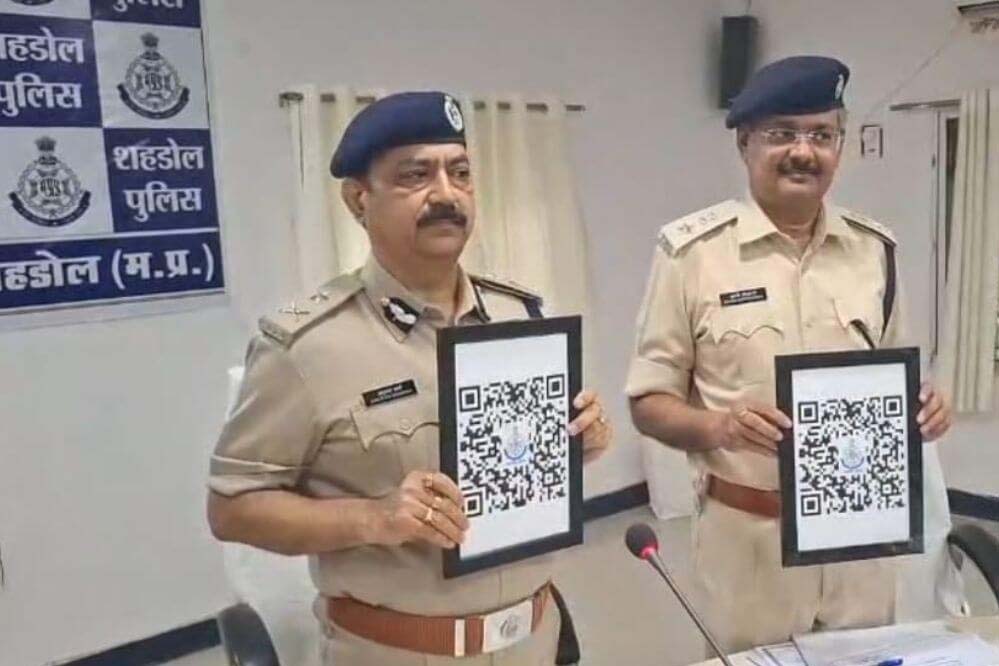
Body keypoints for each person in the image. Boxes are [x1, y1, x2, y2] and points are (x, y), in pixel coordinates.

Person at [207, 91, 612, 665]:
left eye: (460, 173)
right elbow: (232, 509)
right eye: (415, 176)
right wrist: (375, 518)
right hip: (397, 652)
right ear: (359, 200)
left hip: (533, 641)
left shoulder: (519, 316)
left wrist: (577, 441)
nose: (446, 194)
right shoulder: (308, 347)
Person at [626, 56, 952, 652]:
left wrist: (925, 407)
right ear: (745, 143)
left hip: (860, 542)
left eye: (822, 135)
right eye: (782, 134)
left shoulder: (875, 251)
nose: (803, 151)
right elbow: (648, 402)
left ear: (839, 147)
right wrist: (720, 427)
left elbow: (898, 381)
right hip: (750, 546)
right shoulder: (691, 255)